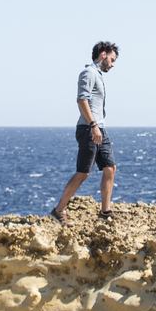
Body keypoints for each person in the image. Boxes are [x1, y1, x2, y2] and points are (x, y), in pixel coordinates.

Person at [51, 42, 119, 223]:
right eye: (112, 60)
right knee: (83, 172)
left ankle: (105, 212)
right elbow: (82, 100)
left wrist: (98, 126)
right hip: (89, 128)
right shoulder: (88, 73)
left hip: (99, 128)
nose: (112, 64)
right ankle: (59, 210)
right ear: (103, 54)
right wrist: (93, 125)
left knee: (110, 168)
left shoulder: (97, 74)